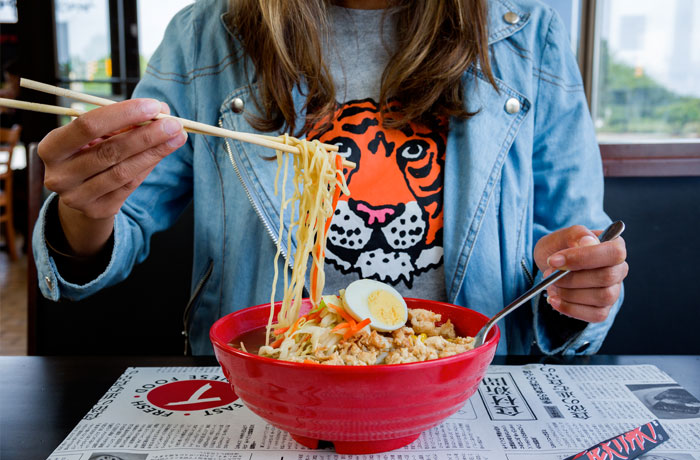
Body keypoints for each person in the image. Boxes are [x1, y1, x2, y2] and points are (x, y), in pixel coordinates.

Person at [33, 0, 628, 356]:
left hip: (467, 389)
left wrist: (576, 286)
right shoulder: (205, 34)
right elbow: (118, 228)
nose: (374, 203)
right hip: (271, 387)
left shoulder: (531, 36)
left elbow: (578, 254)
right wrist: (88, 204)